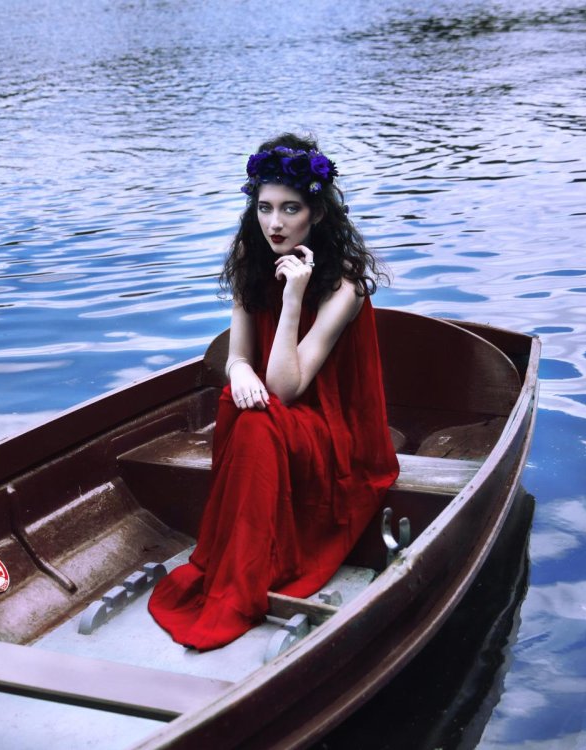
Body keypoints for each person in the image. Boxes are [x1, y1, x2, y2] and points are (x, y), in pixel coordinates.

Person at [147, 133, 400, 651]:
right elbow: (241, 357)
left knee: (257, 418)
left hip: (333, 433)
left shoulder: (345, 286)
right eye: (264, 208)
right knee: (241, 406)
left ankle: (248, 574)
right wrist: (239, 370)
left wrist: (294, 296)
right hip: (278, 419)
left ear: (317, 214)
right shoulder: (251, 260)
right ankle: (247, 568)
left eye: (290, 208)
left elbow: (287, 387)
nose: (275, 223)